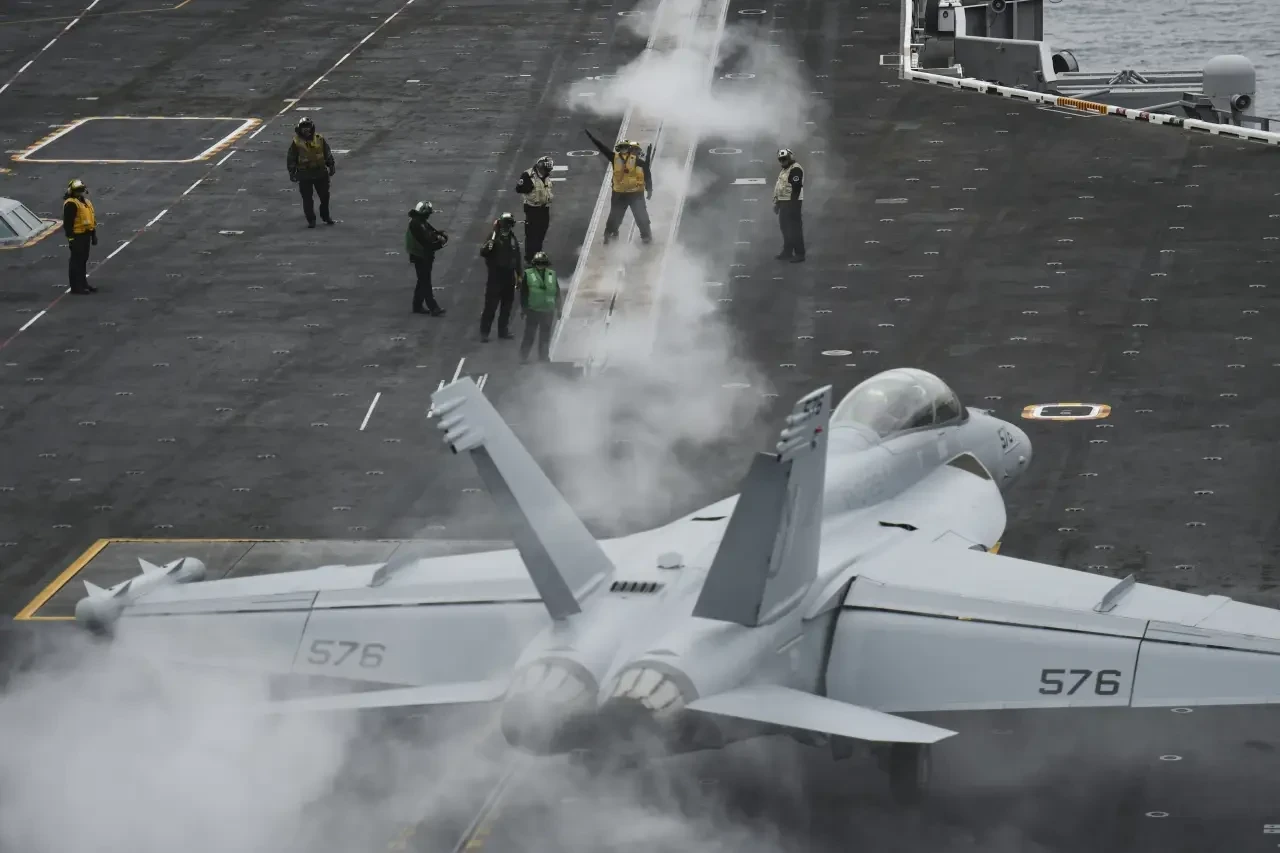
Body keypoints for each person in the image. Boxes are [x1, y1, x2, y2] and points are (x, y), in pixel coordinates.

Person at [583, 129, 653, 245]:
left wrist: (649, 189)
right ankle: (610, 234)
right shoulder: (616, 158)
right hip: (621, 194)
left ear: (629, 149)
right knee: (615, 216)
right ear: (619, 149)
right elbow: (602, 148)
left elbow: (646, 172)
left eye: (625, 148)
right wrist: (591, 137)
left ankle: (646, 236)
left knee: (641, 216)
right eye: (622, 148)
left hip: (634, 194)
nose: (624, 150)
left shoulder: (635, 160)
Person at [478, 213, 522, 342]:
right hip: (495, 277)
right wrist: (488, 246)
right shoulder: (493, 237)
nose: (507, 226)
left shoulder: (512, 239)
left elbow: (517, 258)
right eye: (506, 223)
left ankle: (503, 330)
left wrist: (519, 275)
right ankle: (484, 332)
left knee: (506, 307)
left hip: (509, 277)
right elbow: (483, 252)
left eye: (509, 223)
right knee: (490, 306)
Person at [286, 117, 336, 228]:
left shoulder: (319, 139)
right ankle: (311, 220)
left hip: (320, 172)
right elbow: (291, 158)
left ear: (312, 127)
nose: (306, 129)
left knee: (325, 196)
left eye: (308, 127)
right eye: (303, 127)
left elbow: (327, 153)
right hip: (305, 173)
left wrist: (331, 165)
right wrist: (292, 172)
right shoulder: (296, 142)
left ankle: (325, 216)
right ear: (299, 129)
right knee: (307, 199)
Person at [405, 201, 447, 316]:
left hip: (422, 255)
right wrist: (439, 243)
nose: (428, 216)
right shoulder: (416, 224)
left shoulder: (419, 221)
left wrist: (438, 234)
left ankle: (417, 305)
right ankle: (433, 307)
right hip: (420, 256)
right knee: (425, 282)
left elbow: (430, 232)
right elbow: (426, 241)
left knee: (422, 281)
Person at [519, 251, 561, 363]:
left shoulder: (552, 275)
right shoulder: (528, 275)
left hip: (548, 311)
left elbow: (557, 292)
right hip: (533, 310)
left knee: (545, 336)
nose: (540, 265)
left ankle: (543, 357)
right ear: (534, 264)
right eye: (538, 263)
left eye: (543, 263)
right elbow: (524, 294)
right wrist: (524, 308)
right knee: (529, 334)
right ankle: (523, 356)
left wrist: (559, 308)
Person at [515, 156, 555, 263]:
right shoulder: (528, 175)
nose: (547, 172)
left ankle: (538, 254)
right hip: (532, 209)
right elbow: (519, 188)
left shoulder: (546, 175)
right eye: (545, 169)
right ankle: (530, 258)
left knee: (542, 232)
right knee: (532, 234)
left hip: (544, 208)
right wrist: (529, 188)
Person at [62, 178, 97, 295]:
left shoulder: (85, 202)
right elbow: (68, 224)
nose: (79, 192)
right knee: (76, 262)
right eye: (77, 190)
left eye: (81, 190)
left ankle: (83, 284)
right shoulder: (71, 204)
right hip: (77, 236)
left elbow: (91, 219)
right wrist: (71, 239)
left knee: (83, 261)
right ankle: (76, 287)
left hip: (86, 235)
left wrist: (93, 235)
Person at [773, 148, 805, 262]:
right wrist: (777, 203)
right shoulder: (785, 170)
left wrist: (792, 205)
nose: (783, 161)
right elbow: (780, 188)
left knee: (795, 229)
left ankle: (800, 254)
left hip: (792, 202)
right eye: (781, 160)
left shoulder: (795, 169)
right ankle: (787, 251)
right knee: (785, 228)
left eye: (785, 159)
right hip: (784, 202)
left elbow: (796, 188)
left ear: (790, 158)